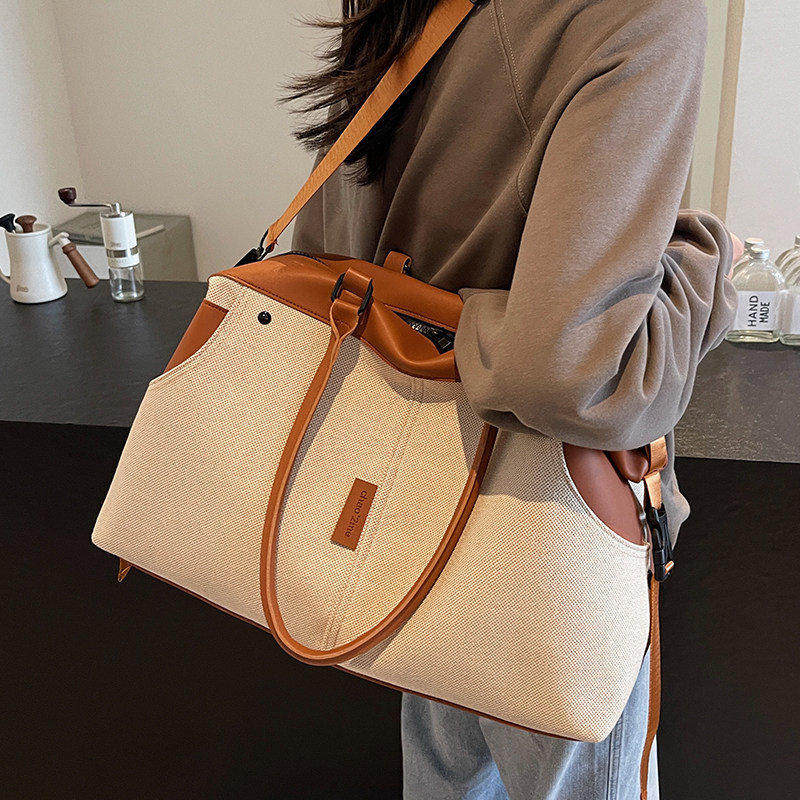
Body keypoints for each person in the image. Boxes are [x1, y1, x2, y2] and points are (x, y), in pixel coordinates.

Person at [286, 0, 741, 797]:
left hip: (410, 496)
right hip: (544, 524)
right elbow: (573, 371)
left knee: (446, 778)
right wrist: (709, 266)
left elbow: (326, 260)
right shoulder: (639, 12)